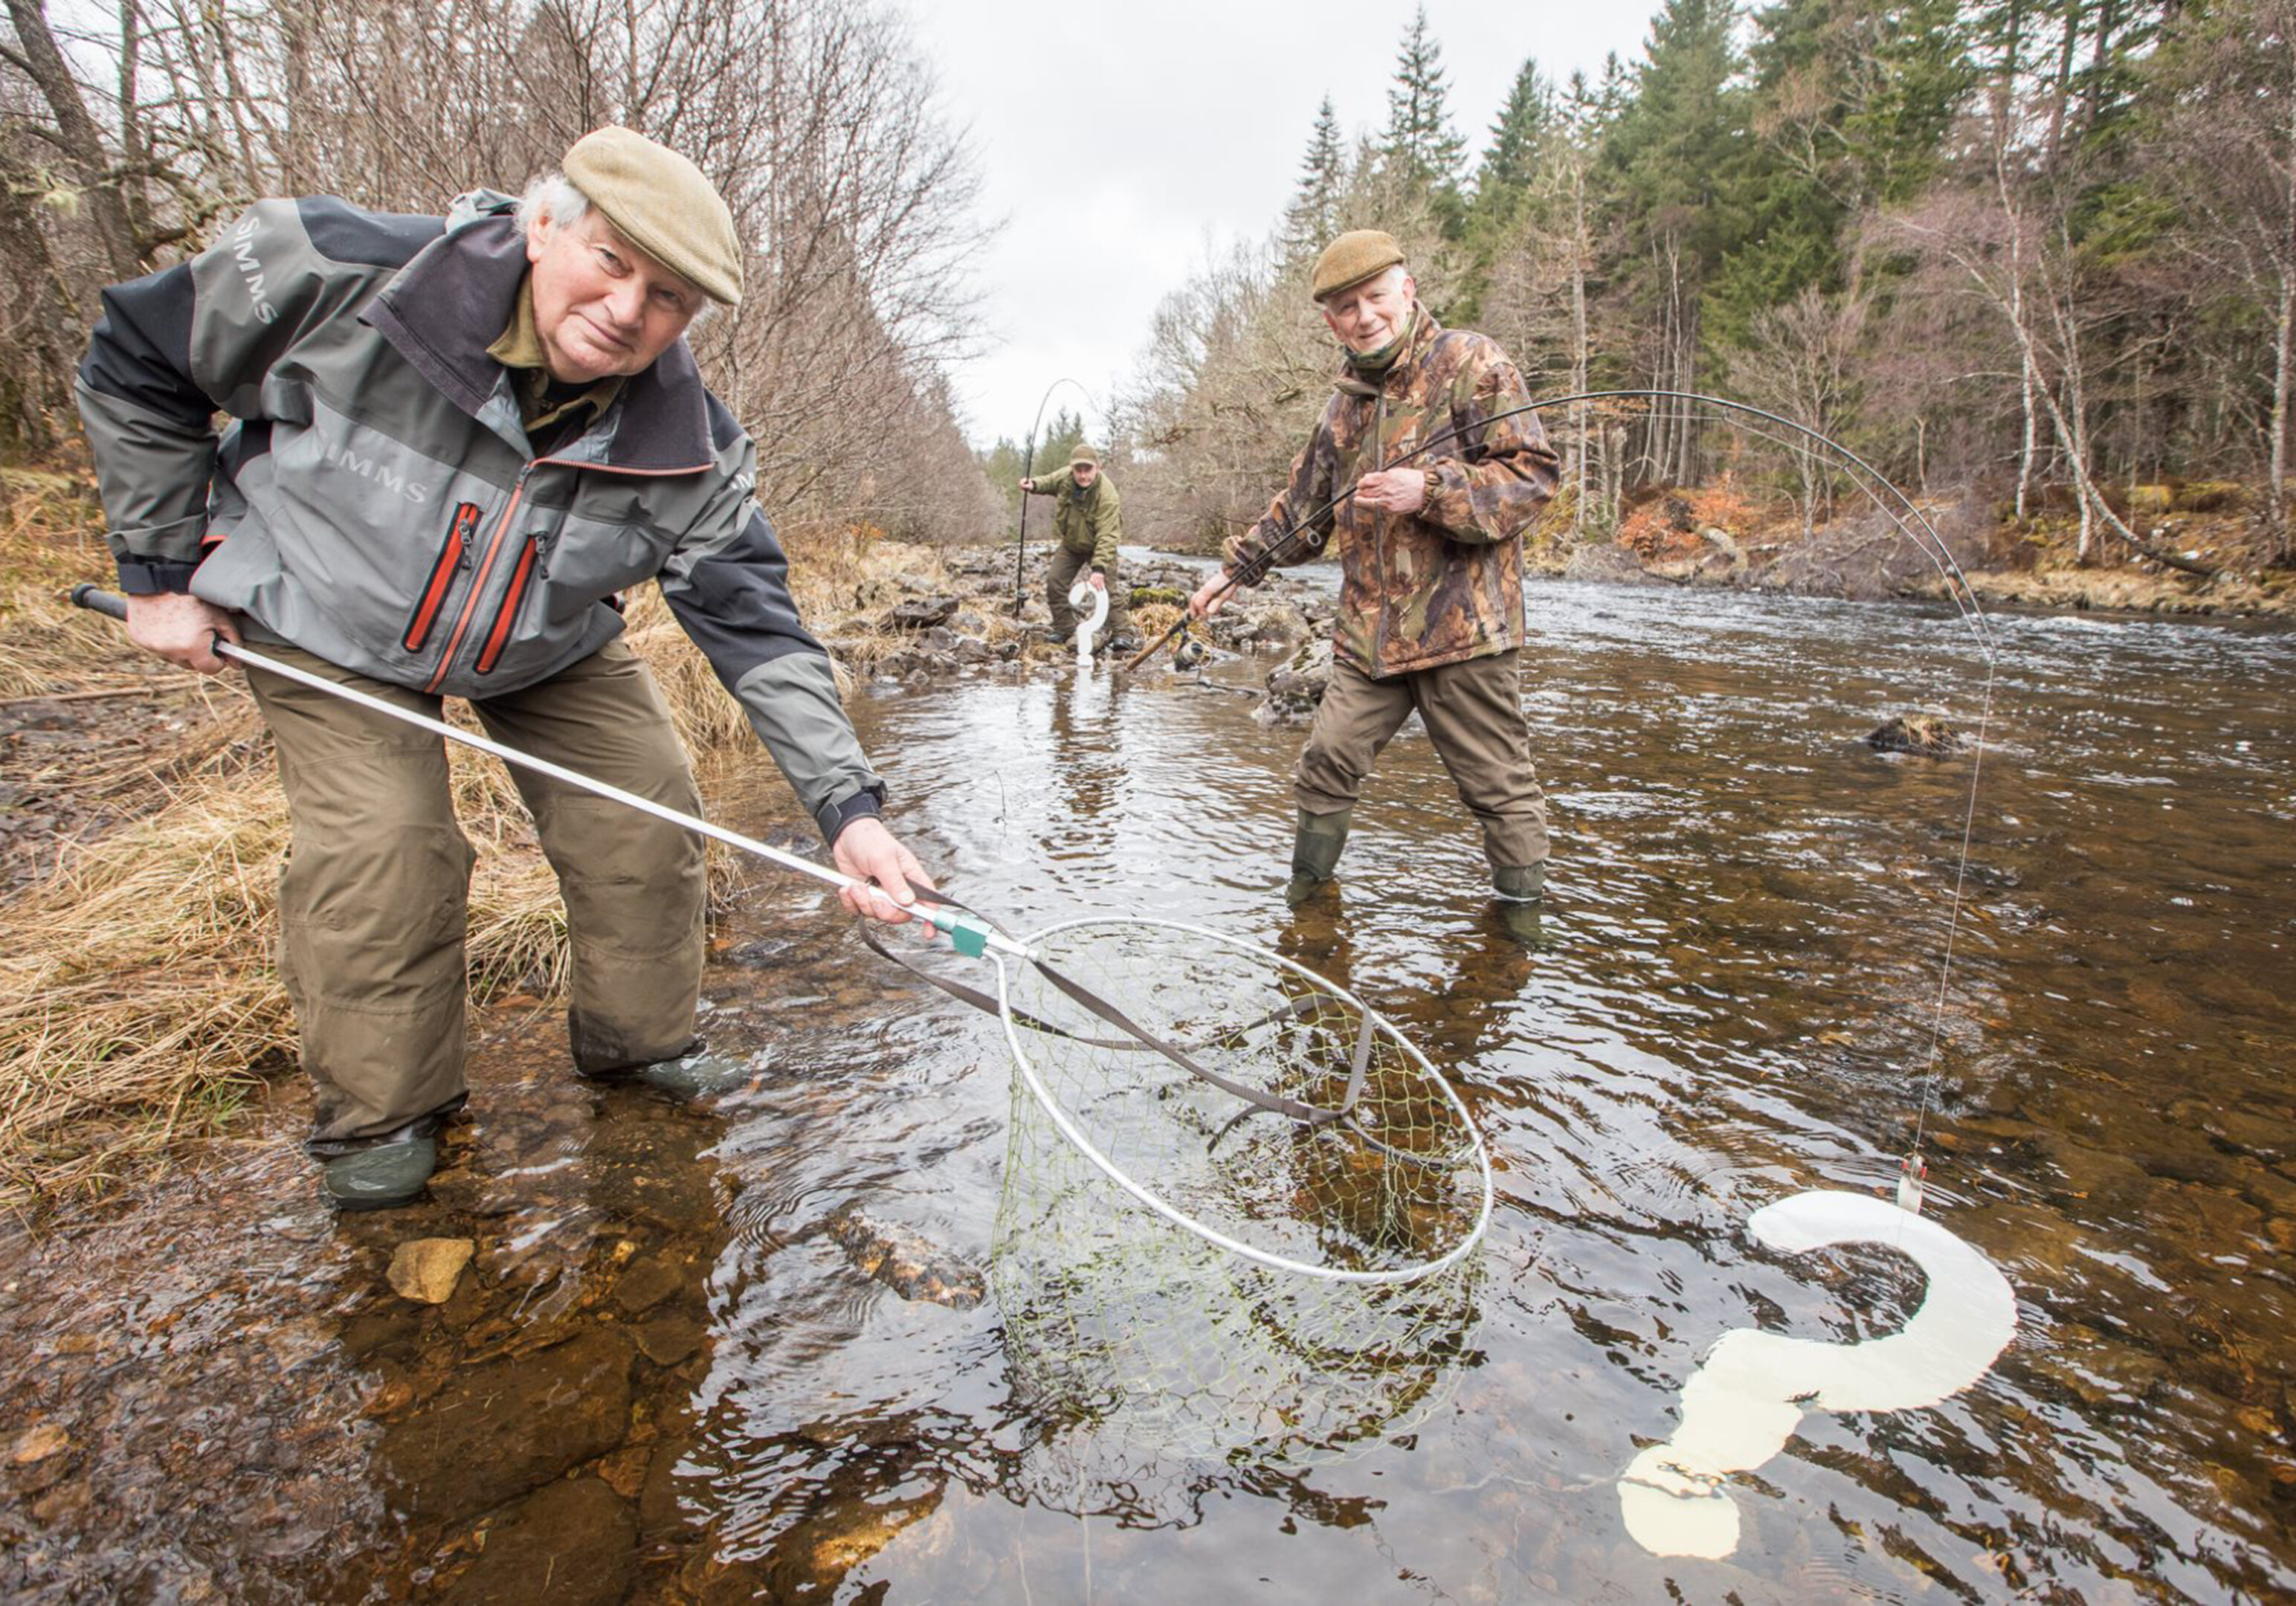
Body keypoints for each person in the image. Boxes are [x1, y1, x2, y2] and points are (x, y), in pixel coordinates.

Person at [75, 126, 935, 1210]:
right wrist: (156, 575)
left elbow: (756, 628)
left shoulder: (691, 447)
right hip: (324, 615)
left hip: (542, 639)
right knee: (389, 850)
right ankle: (388, 1116)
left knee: (648, 812)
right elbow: (138, 353)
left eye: (666, 297)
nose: (627, 310)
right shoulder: (339, 272)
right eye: (612, 262)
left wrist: (848, 812)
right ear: (542, 225)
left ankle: (639, 1048)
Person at [1188, 229, 1560, 915]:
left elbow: (1533, 479)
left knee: (1498, 788)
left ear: (1407, 291)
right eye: (1347, 306)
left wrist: (1433, 490)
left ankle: (1517, 935)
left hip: (1464, 630)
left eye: (1375, 298)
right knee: (1325, 764)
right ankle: (1307, 908)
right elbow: (1302, 510)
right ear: (1330, 320)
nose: (1365, 316)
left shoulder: (1472, 362)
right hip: (1369, 637)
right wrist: (1232, 574)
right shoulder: (1343, 407)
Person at [1020, 444, 1137, 652]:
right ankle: (1065, 628)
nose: (1083, 476)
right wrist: (1033, 484)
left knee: (1107, 589)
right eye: (1078, 470)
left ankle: (1123, 633)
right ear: (1072, 469)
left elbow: (1108, 535)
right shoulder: (1065, 477)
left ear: (1097, 468)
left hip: (1098, 546)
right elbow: (1048, 482)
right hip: (1072, 544)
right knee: (1055, 582)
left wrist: (1099, 568)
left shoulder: (1107, 496)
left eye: (1088, 470)